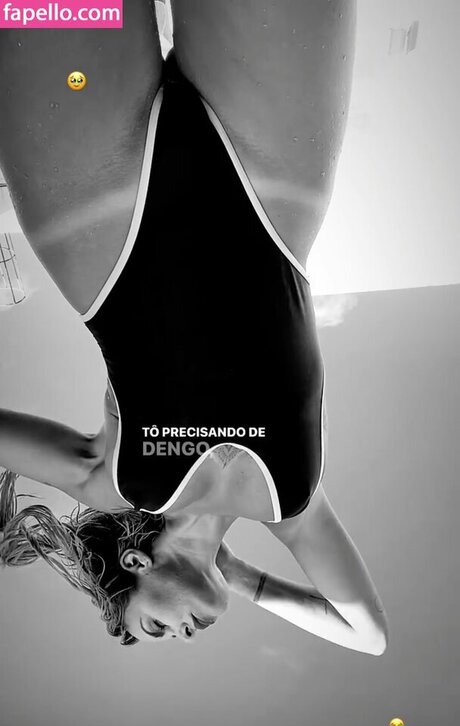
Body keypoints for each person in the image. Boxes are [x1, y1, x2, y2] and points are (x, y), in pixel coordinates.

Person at [0, 0, 389, 653]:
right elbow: (368, 635)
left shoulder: (114, 479)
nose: (181, 637)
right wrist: (240, 576)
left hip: (97, 218)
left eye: (154, 624)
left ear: (135, 564)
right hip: (272, 186)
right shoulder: (291, 506)